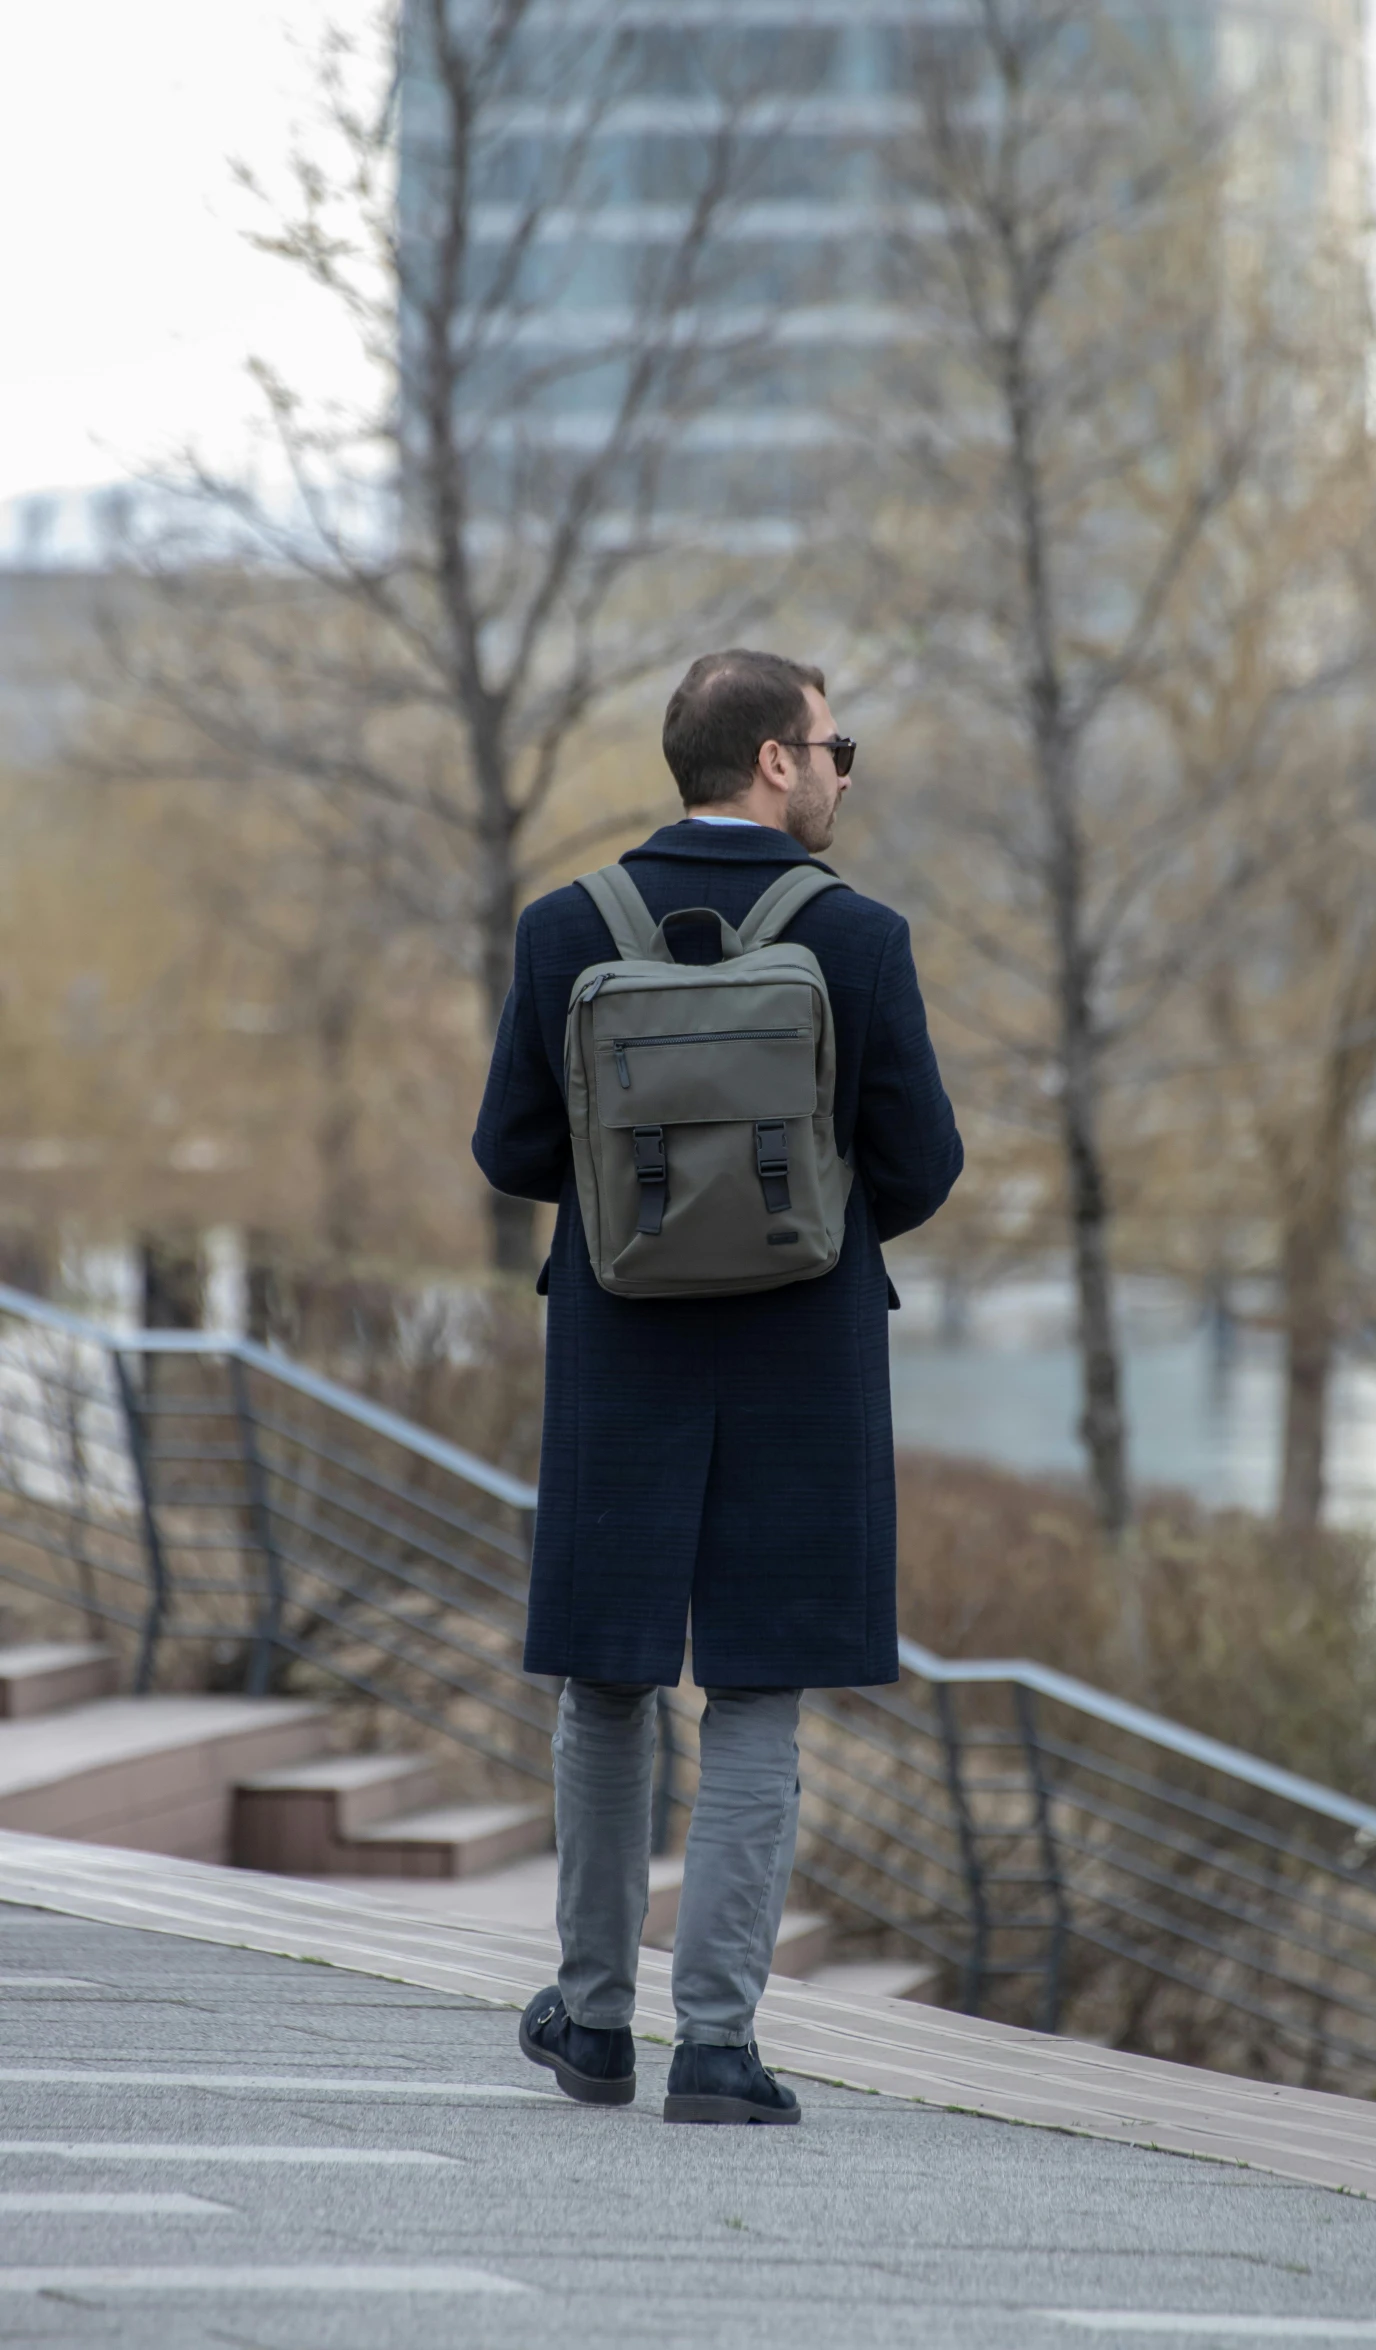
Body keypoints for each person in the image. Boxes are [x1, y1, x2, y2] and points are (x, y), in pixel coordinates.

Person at [472, 648, 963, 2125]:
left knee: (608, 1680)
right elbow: (923, 1164)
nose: (838, 770)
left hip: (619, 1344)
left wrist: (637, 1204)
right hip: (803, 1354)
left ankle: (593, 2019)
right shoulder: (856, 938)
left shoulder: (566, 928)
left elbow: (506, 1153)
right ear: (770, 761)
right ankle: (720, 2048)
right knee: (755, 1689)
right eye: (832, 747)